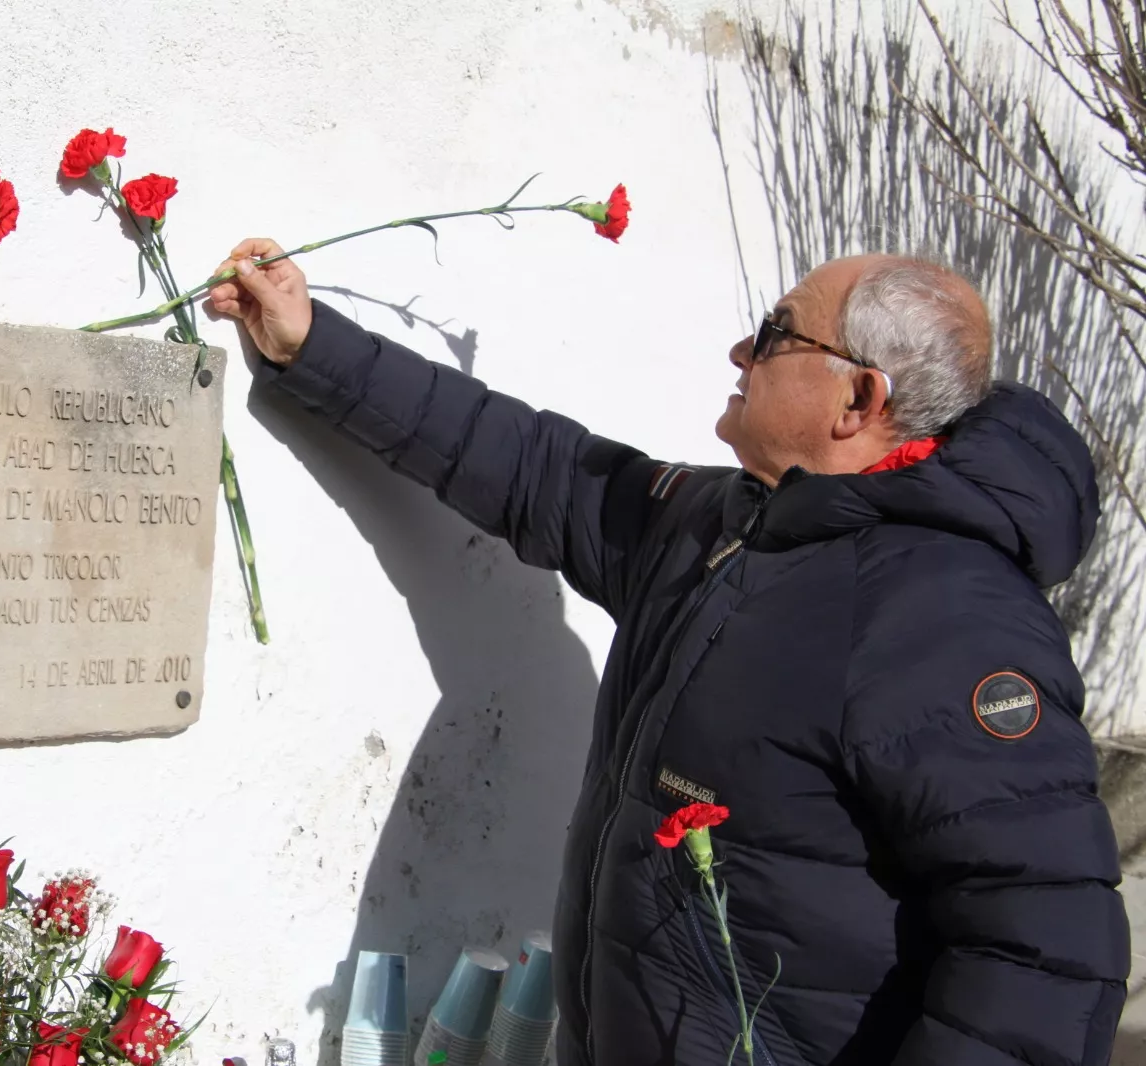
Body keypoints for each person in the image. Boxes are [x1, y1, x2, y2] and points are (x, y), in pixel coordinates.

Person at [207, 240, 1130, 1066]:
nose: (741, 353)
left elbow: (1044, 947)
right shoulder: (726, 525)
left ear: (860, 398)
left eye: (775, 335)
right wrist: (312, 344)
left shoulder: (945, 617)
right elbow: (538, 467)